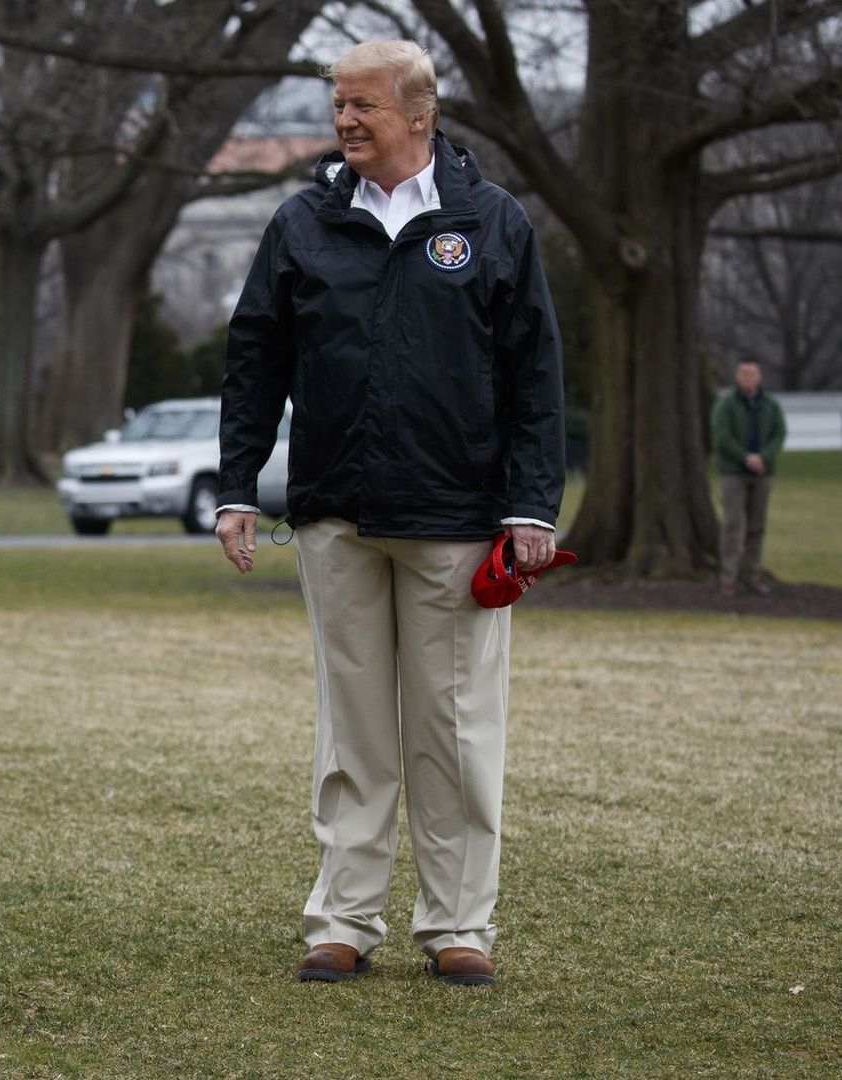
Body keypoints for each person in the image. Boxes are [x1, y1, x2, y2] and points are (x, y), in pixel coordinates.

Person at [214, 41, 565, 988]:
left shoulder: (489, 224)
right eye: (338, 104)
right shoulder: (302, 223)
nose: (345, 120)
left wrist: (531, 505)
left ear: (421, 114)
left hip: (458, 522)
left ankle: (459, 926)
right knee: (353, 732)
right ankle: (342, 922)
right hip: (334, 519)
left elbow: (534, 375)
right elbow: (256, 358)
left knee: (451, 733)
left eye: (363, 104)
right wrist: (238, 485)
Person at [711, 359, 787, 596]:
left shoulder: (771, 405)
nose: (748, 378)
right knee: (733, 525)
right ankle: (728, 577)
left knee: (756, 526)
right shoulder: (726, 405)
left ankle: (752, 574)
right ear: (737, 377)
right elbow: (722, 436)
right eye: (744, 374)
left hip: (762, 473)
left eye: (752, 374)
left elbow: (779, 433)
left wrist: (764, 457)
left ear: (760, 377)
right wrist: (745, 457)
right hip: (734, 473)